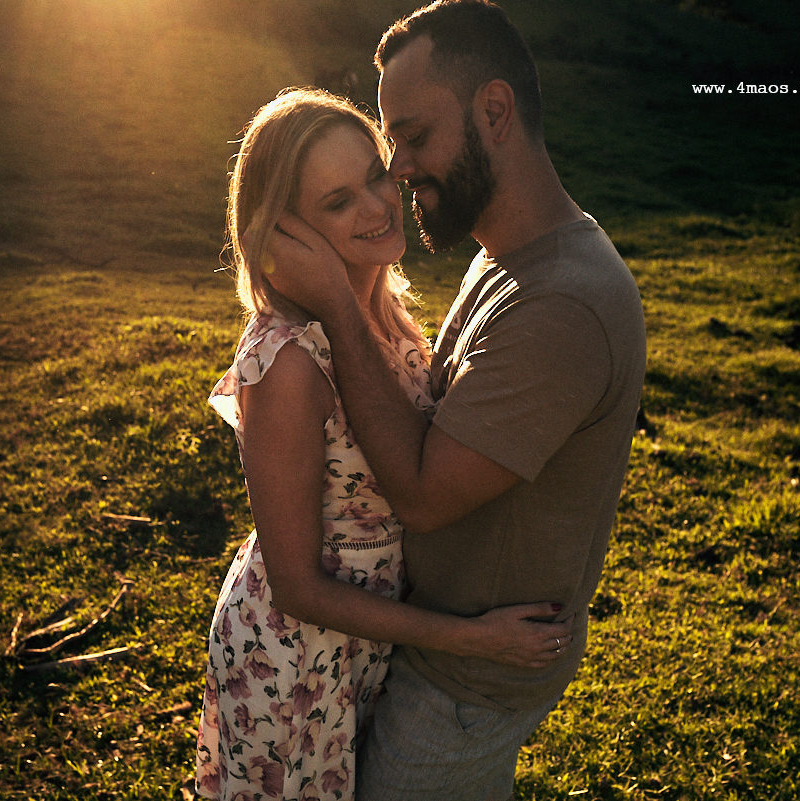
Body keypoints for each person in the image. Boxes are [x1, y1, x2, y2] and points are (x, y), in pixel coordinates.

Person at [261, 2, 648, 799]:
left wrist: (336, 302)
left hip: (463, 686)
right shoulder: (502, 254)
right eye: (387, 144)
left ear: (495, 112)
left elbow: (424, 495)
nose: (398, 168)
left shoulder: (561, 305)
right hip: (421, 658)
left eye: (413, 136)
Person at [193, 87, 575, 800]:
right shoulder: (289, 363)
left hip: (368, 646)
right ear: (285, 234)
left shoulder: (386, 314)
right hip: (295, 665)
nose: (377, 203)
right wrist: (473, 637)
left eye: (375, 174)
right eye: (338, 202)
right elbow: (297, 586)